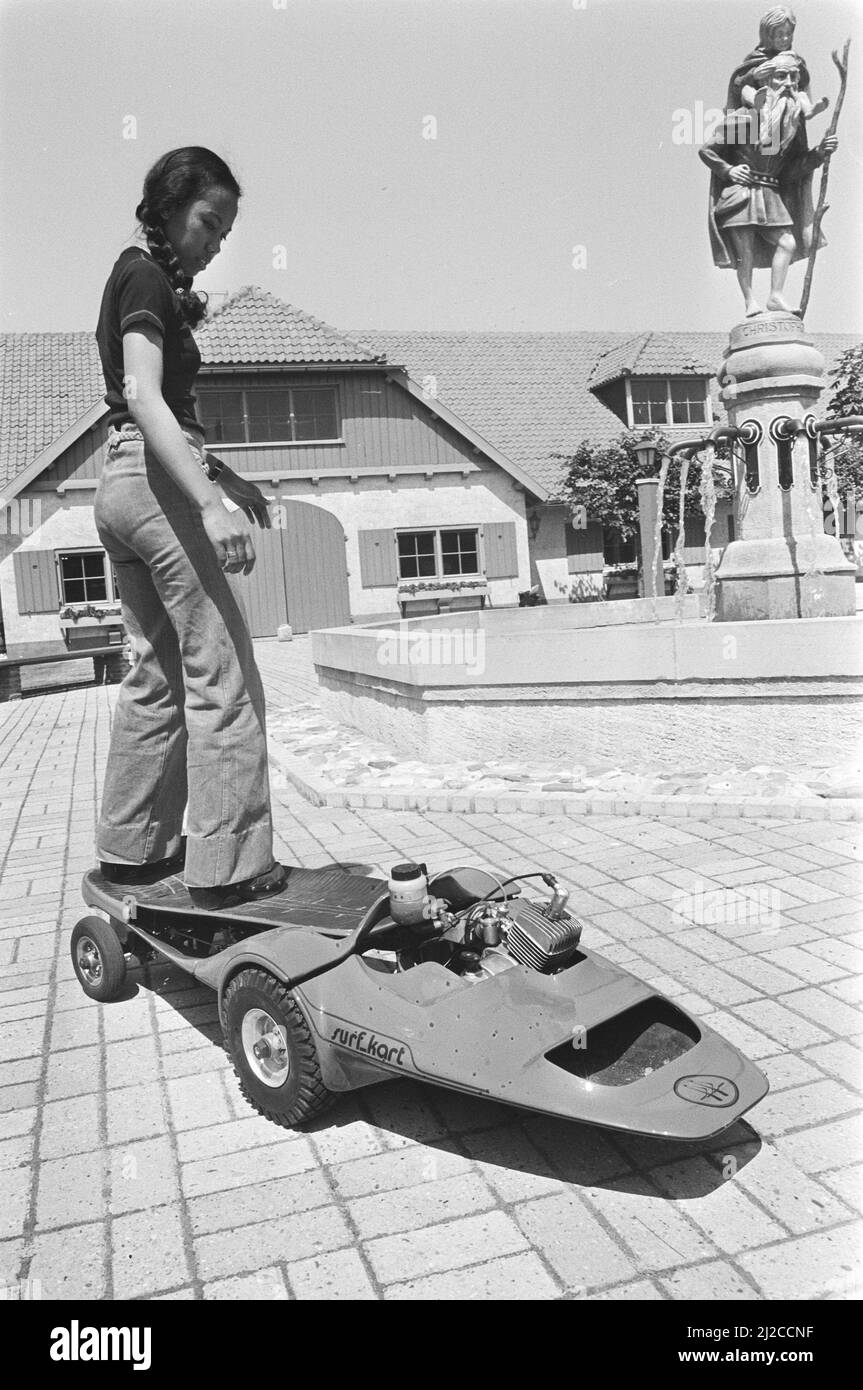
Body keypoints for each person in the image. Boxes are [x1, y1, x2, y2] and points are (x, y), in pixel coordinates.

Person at [94, 146, 288, 909]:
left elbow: (141, 411)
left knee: (155, 676)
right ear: (169, 207)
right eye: (209, 222)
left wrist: (224, 475)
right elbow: (143, 395)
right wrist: (208, 503)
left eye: (226, 229)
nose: (215, 241)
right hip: (156, 488)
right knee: (224, 675)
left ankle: (133, 850)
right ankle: (232, 867)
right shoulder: (144, 276)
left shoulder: (132, 273)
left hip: (120, 487)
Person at [700, 53, 836, 316]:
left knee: (787, 243)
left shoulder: (790, 127)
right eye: (781, 76)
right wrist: (729, 170)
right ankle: (750, 301)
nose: (789, 84)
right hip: (741, 194)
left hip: (771, 194)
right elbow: (707, 150)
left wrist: (819, 153)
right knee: (745, 253)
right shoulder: (744, 118)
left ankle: (775, 296)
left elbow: (790, 173)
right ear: (766, 81)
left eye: (794, 78)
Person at [726, 6, 827, 120]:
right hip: (761, 114)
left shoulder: (795, 60)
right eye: (780, 34)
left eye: (789, 34)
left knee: (800, 94)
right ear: (768, 35)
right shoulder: (756, 59)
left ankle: (809, 109)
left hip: (789, 115)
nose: (785, 38)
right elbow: (737, 84)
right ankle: (757, 101)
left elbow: (803, 84)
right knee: (746, 89)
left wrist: (796, 73)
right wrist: (754, 74)